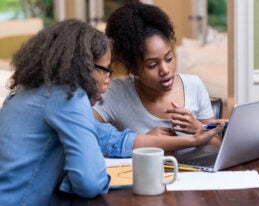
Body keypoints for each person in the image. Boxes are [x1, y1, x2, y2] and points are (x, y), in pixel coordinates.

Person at [0, 18, 223, 206]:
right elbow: (89, 182)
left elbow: (110, 139)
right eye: (106, 70)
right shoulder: (68, 97)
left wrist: (192, 139)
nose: (108, 79)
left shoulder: (30, 91)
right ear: (84, 67)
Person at [93, 2, 225, 145]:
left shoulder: (194, 85)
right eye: (152, 65)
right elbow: (82, 131)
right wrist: (142, 140)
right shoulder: (117, 92)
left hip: (196, 168)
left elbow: (217, 146)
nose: (165, 70)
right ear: (133, 69)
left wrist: (199, 129)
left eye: (169, 58)